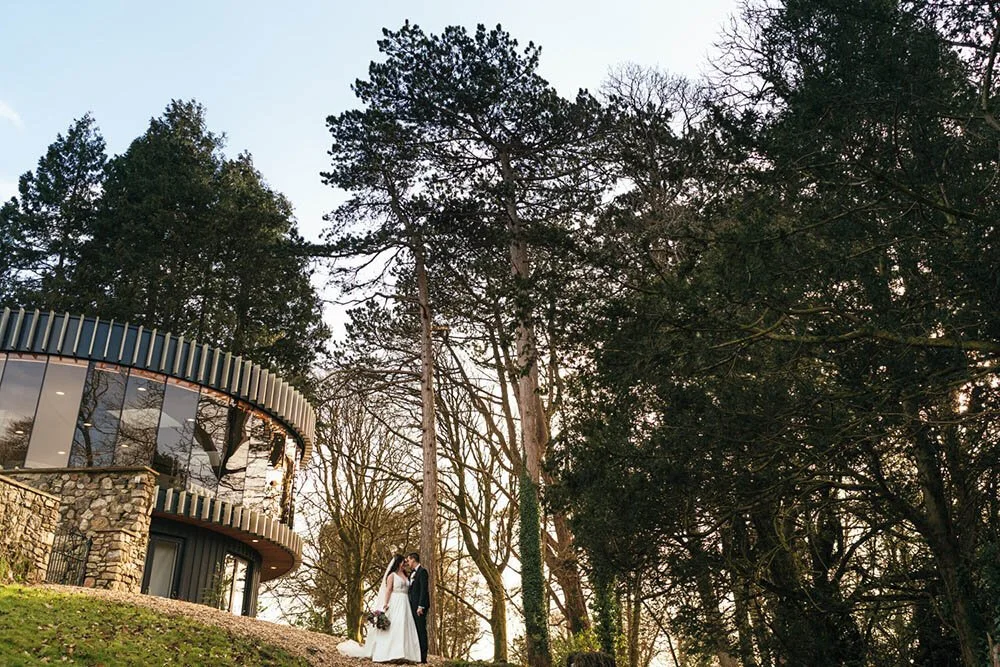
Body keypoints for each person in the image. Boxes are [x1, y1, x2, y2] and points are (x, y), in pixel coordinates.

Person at [337, 554, 421, 662]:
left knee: (405, 626)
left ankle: (406, 654)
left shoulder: (406, 575)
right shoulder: (392, 575)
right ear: (398, 563)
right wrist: (385, 603)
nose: (405, 564)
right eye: (403, 562)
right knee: (396, 626)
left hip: (406, 603)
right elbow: (388, 590)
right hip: (395, 601)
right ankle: (392, 653)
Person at [405, 552, 430, 663]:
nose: (408, 562)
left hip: (419, 607)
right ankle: (416, 655)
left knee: (421, 630)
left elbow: (424, 590)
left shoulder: (422, 572)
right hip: (412, 605)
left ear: (414, 560)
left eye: (409, 560)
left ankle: (423, 657)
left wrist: (421, 606)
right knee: (414, 630)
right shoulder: (411, 574)